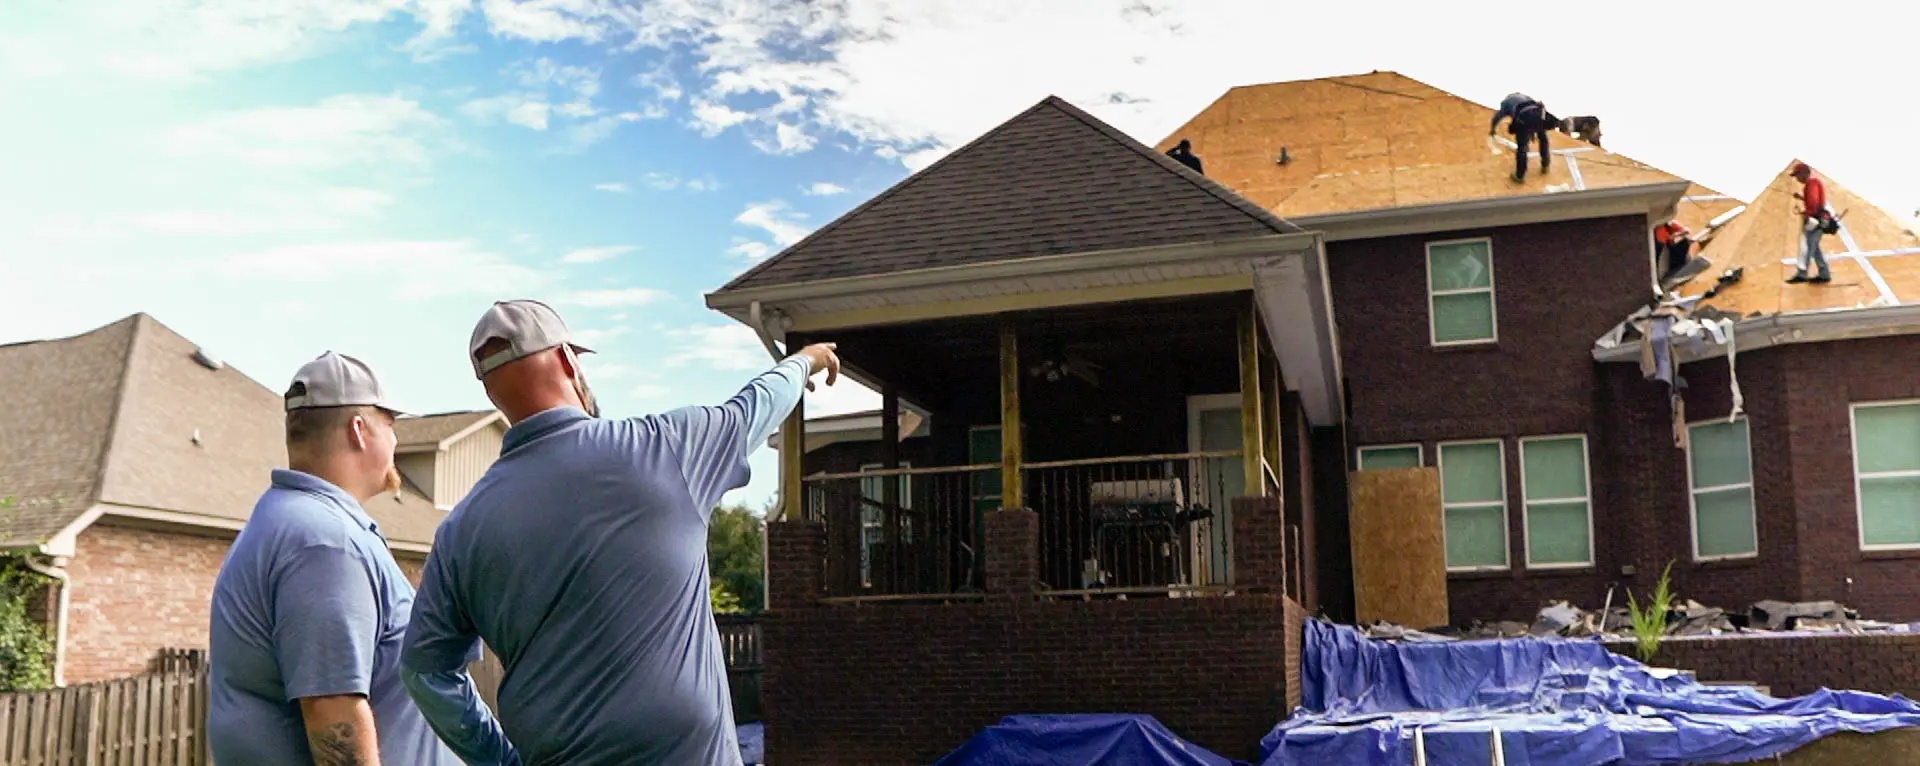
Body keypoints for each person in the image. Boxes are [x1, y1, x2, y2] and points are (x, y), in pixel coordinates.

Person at [401, 299, 840, 765]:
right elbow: (755, 406)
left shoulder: (462, 528)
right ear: (569, 361)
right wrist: (804, 360)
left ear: (493, 394)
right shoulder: (665, 448)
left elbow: (424, 672)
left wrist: (499, 758)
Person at [208, 351, 471, 766]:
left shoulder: (291, 521)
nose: (397, 440)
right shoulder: (324, 544)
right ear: (359, 430)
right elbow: (332, 713)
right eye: (390, 424)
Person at [1490, 92, 1556, 183]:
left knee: (1522, 147)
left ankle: (1519, 175)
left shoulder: (1505, 103)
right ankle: (1546, 164)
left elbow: (1496, 117)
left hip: (1523, 119)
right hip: (1537, 115)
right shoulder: (1527, 97)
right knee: (1543, 137)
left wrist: (1492, 129)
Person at [1789, 162, 1834, 284]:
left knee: (1808, 247)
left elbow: (1814, 204)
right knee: (1814, 247)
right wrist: (1802, 198)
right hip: (1818, 219)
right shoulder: (1813, 183)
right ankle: (1824, 273)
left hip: (1814, 220)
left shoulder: (1811, 183)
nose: (1797, 178)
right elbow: (1813, 200)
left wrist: (1806, 213)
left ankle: (1802, 273)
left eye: (1798, 175)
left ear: (1804, 173)